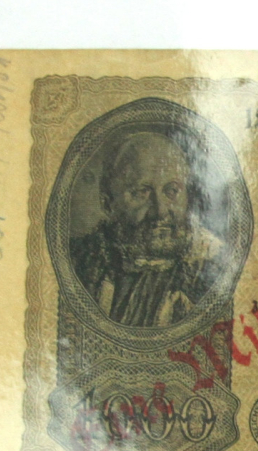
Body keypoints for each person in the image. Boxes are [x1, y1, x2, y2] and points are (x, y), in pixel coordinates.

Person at [70, 129, 225, 327]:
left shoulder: (214, 264)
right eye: (141, 192)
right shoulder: (80, 262)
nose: (160, 211)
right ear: (108, 203)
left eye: (172, 191)